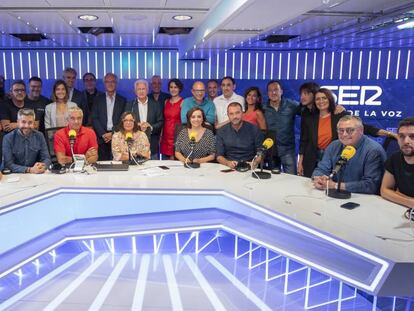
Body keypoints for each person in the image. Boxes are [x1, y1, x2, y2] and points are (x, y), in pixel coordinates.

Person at [312, 115, 386, 194]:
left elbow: (371, 185)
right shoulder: (334, 145)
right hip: (334, 195)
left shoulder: (373, 150)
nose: (344, 134)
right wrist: (319, 178)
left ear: (361, 130)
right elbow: (321, 169)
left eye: (350, 130)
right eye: (341, 130)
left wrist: (336, 185)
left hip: (364, 198)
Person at [298, 88, 348, 177]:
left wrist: (378, 132)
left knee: (329, 185)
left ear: (330, 99)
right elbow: (303, 141)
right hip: (311, 159)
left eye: (324, 98)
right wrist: (300, 162)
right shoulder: (309, 118)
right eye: (318, 99)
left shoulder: (340, 115)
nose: (321, 101)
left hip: (333, 158)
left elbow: (358, 125)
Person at [264, 80, 299, 175]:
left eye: (276, 90)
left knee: (292, 179)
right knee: (273, 180)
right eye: (270, 90)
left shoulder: (292, 105)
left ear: (281, 91)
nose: (273, 92)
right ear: (267, 93)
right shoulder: (263, 107)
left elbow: (308, 111)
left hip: (287, 149)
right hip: (271, 150)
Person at [216, 102, 264, 169]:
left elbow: (261, 153)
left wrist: (255, 162)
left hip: (249, 166)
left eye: (237, 113)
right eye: (231, 114)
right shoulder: (221, 131)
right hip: (229, 167)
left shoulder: (254, 129)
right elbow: (219, 156)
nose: (235, 116)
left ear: (242, 113)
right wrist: (227, 163)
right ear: (228, 115)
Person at [2, 108, 50, 173]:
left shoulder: (40, 136)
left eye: (30, 122)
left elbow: (46, 158)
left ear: (34, 123)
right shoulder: (8, 138)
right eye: (23, 122)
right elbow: (8, 164)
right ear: (18, 122)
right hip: (14, 175)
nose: (27, 126)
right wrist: (29, 170)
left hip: (34, 174)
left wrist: (42, 166)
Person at [124, 79, 163, 159]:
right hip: (134, 144)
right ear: (135, 91)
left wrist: (150, 127)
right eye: (139, 89)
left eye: (143, 89)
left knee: (152, 170)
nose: (141, 91)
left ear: (147, 90)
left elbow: (161, 122)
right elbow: (124, 122)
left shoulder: (156, 104)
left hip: (151, 145)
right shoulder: (129, 105)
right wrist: (135, 125)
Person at [91, 73, 126, 160]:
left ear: (116, 83)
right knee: (102, 165)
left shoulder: (123, 100)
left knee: (118, 164)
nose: (110, 84)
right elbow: (94, 118)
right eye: (107, 82)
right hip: (101, 138)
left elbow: (123, 120)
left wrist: (113, 133)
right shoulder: (97, 99)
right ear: (104, 84)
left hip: (117, 136)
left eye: (113, 81)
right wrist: (103, 134)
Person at [380, 117, 414, 208]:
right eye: (401, 136)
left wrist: (397, 195)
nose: (406, 141)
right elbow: (384, 190)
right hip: (403, 210)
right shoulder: (395, 158)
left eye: (412, 136)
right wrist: (411, 203)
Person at [160, 79, 184, 159]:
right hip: (165, 137)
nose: (173, 89)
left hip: (177, 136)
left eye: (175, 87)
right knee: (165, 165)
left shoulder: (183, 102)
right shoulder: (166, 102)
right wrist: (160, 135)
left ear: (179, 89)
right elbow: (164, 120)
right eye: (171, 87)